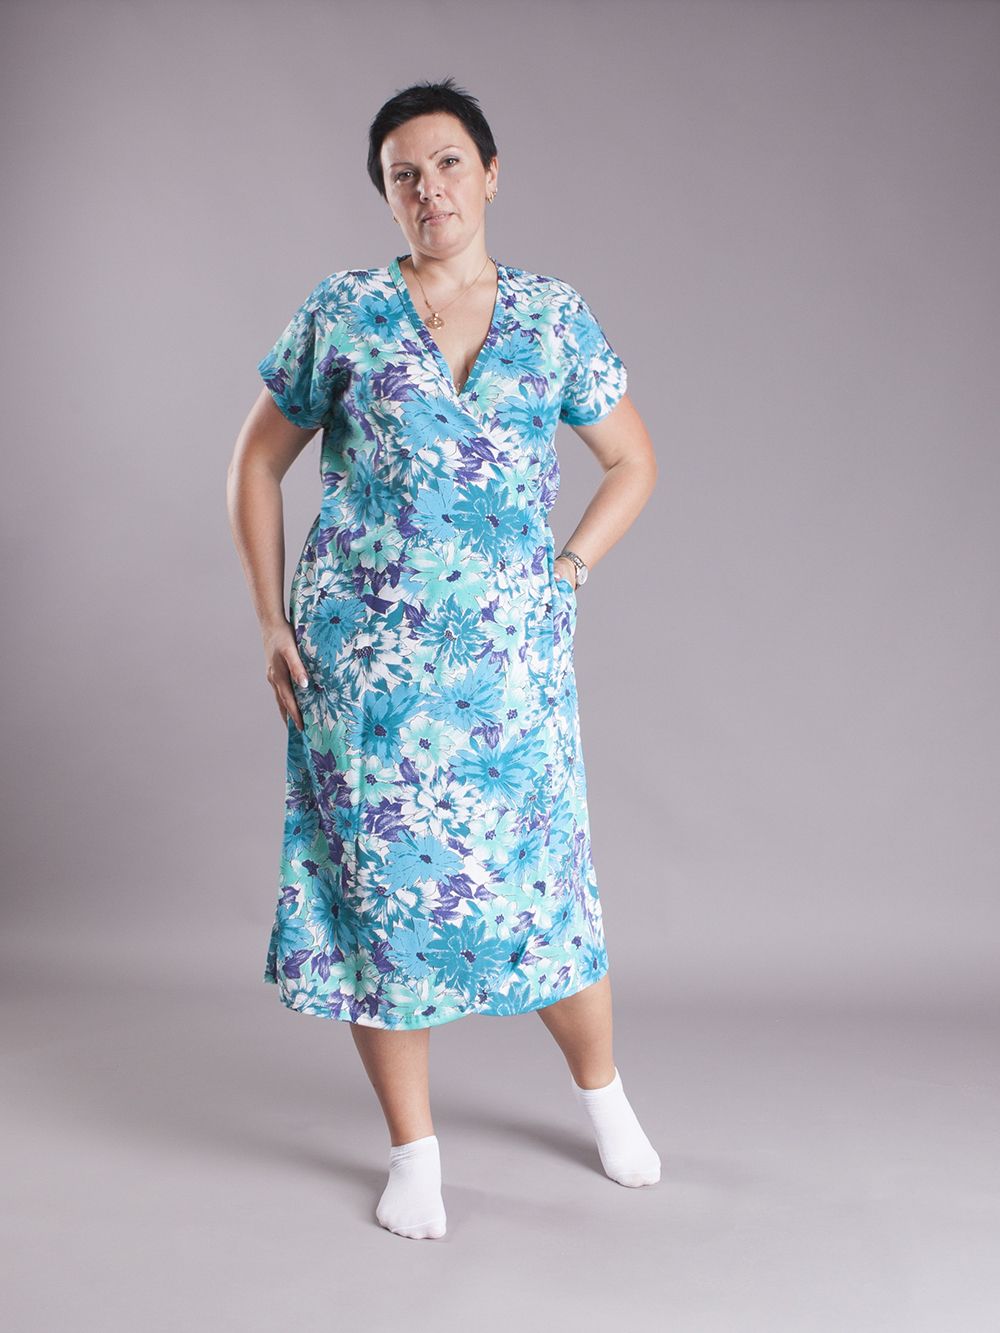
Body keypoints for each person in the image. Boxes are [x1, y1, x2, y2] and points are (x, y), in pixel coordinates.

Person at [228, 77, 660, 1240]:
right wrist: (269, 619)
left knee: (545, 889)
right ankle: (412, 1154)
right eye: (403, 175)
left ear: (491, 174)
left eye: (449, 163)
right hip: (362, 674)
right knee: (380, 902)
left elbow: (632, 460)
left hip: (511, 672)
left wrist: (567, 569)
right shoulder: (342, 313)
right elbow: (255, 463)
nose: (430, 190)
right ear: (386, 196)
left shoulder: (554, 317)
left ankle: (606, 1099)